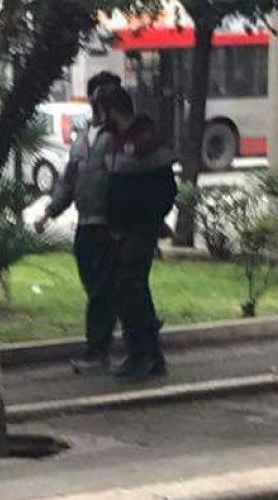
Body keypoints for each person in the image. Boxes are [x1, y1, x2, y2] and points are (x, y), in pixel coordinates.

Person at [35, 71, 122, 374]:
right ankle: (126, 338)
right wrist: (49, 212)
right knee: (96, 287)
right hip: (85, 226)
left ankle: (98, 350)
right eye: (100, 94)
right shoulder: (83, 140)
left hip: (110, 227)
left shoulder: (119, 138)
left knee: (102, 290)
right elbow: (68, 182)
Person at [96, 85, 177, 381]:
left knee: (130, 287)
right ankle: (144, 353)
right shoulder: (115, 142)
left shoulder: (146, 142)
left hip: (140, 228)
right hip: (119, 229)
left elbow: (165, 189)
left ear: (111, 110)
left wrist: (151, 220)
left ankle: (145, 354)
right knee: (129, 289)